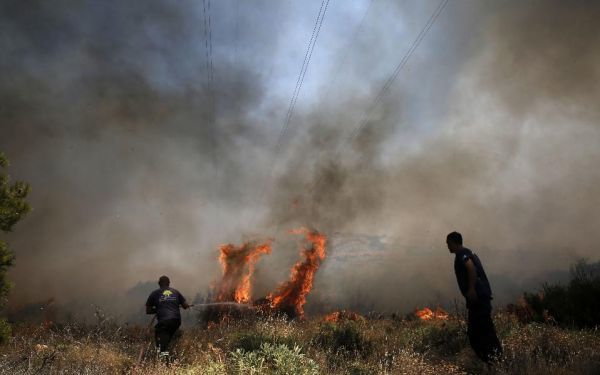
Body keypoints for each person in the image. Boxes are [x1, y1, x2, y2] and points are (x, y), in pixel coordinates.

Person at [446, 231, 502, 363]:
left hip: (478, 300)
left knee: (479, 335)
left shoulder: (462, 254)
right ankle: (493, 362)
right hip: (479, 300)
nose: (447, 247)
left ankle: (495, 362)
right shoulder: (466, 252)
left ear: (454, 242)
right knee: (481, 333)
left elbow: (470, 268)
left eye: (448, 243)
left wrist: (471, 289)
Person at [145, 275, 190, 359]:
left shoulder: (154, 293)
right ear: (169, 283)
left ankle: (165, 361)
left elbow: (148, 311)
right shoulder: (176, 292)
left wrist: (158, 309)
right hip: (176, 321)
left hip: (164, 322)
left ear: (159, 283)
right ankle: (172, 353)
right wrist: (185, 305)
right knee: (169, 338)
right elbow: (185, 305)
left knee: (161, 343)